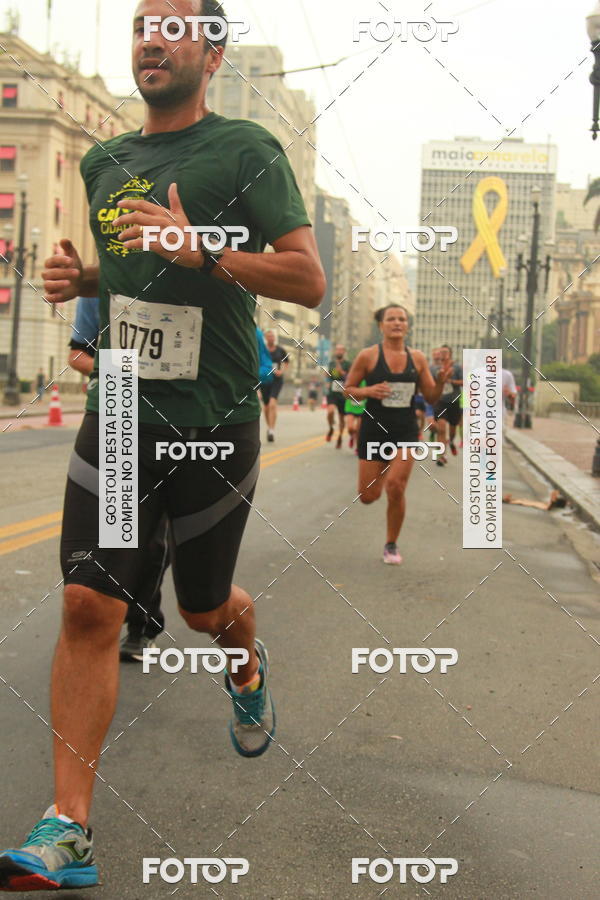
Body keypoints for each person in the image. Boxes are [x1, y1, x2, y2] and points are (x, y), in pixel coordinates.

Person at [0, 1, 325, 891]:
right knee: (88, 606)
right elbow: (134, 263)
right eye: (143, 22)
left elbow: (308, 277)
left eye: (175, 24)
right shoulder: (107, 162)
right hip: (122, 413)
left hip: (214, 419)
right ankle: (69, 830)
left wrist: (208, 250)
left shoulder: (248, 151)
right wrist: (84, 277)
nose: (152, 35)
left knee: (201, 609)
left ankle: (245, 655)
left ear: (212, 53)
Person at [69, 296, 169, 662]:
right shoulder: (95, 290)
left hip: (174, 411)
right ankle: (110, 617)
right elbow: (77, 354)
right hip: (118, 403)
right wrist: (116, 371)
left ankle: (142, 626)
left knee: (153, 533)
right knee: (118, 526)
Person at [344, 305, 451, 565]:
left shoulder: (418, 359)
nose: (397, 323)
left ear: (407, 326)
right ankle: (381, 471)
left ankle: (391, 544)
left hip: (404, 430)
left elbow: (430, 397)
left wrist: (439, 382)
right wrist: (368, 392)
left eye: (402, 319)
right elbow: (348, 389)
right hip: (373, 430)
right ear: (381, 325)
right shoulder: (368, 356)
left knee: (396, 487)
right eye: (391, 319)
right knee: (368, 496)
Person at [432, 344, 463, 467]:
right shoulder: (435, 368)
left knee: (452, 431)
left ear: (450, 354)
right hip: (440, 402)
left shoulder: (457, 367)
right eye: (441, 352)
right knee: (441, 428)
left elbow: (464, 381)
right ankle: (441, 456)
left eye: (445, 352)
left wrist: (451, 381)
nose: (443, 354)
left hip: (454, 402)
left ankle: (451, 442)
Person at [260, 329, 288, 441]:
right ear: (265, 338)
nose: (271, 338)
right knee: (266, 407)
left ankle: (271, 430)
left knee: (272, 404)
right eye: (268, 336)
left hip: (277, 380)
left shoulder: (280, 350)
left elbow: (286, 362)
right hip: (265, 380)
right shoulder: (262, 351)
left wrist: (282, 371)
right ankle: (269, 427)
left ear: (274, 338)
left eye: (272, 336)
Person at [325, 344, 351, 449]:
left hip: (343, 394)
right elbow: (331, 375)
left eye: (341, 350)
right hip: (333, 392)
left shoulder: (348, 364)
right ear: (335, 351)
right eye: (337, 350)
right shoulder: (331, 363)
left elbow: (348, 376)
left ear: (344, 351)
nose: (339, 351)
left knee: (341, 418)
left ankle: (340, 436)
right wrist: (338, 372)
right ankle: (331, 428)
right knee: (330, 411)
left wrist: (341, 373)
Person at [344, 379, 366, 450]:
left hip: (362, 408)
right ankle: (352, 436)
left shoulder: (366, 381)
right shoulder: (351, 380)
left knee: (358, 429)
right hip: (350, 407)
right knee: (350, 428)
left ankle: (357, 447)